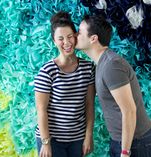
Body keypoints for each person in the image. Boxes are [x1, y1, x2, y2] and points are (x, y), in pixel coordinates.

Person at [76, 15, 151, 157]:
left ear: (93, 38)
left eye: (79, 32)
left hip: (134, 144)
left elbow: (129, 110)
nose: (76, 35)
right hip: (124, 141)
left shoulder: (111, 65)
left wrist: (125, 152)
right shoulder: (102, 63)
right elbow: (131, 99)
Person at [34, 11, 95, 157]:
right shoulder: (47, 71)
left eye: (70, 37)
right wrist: (46, 142)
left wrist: (88, 136)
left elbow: (89, 104)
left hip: (77, 138)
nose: (66, 43)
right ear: (54, 41)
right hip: (51, 138)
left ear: (75, 36)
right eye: (60, 39)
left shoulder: (88, 68)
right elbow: (41, 110)